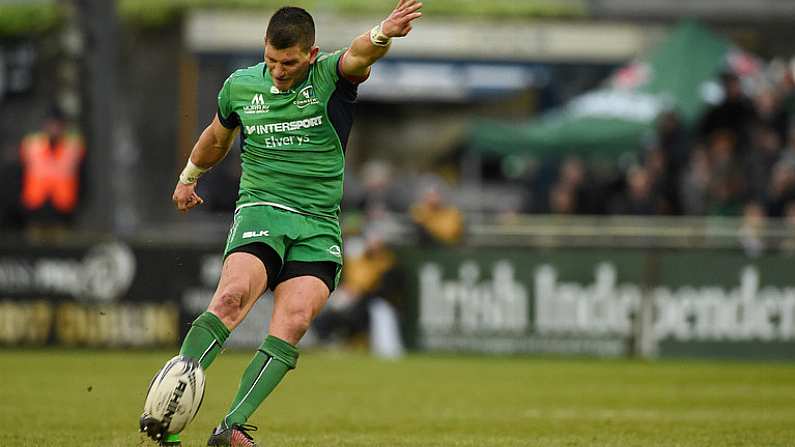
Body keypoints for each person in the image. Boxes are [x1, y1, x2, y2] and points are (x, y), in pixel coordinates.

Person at [139, 3, 423, 447]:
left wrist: (383, 32)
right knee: (231, 298)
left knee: (293, 321)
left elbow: (359, 54)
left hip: (318, 224)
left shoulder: (330, 76)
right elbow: (217, 137)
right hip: (261, 210)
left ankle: (231, 427)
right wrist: (188, 177)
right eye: (271, 60)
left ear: (309, 55)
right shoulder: (240, 86)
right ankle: (169, 412)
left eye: (288, 63)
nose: (277, 71)